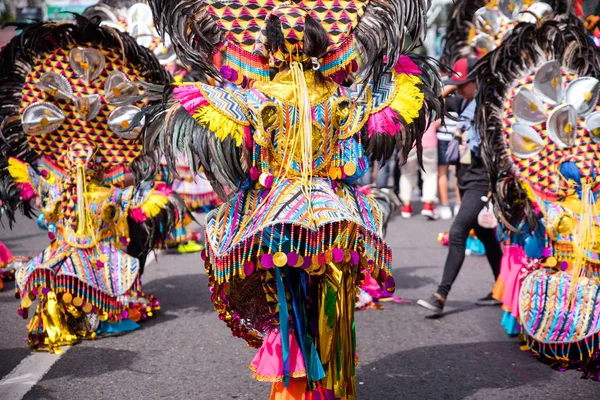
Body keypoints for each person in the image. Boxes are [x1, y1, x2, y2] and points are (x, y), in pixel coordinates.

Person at [144, 0, 442, 397]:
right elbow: (366, 136)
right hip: (337, 218)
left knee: (286, 303)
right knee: (328, 301)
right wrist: (403, 70)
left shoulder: (258, 97)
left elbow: (205, 109)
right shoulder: (340, 97)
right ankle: (328, 383)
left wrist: (175, 88)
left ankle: (295, 383)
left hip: (275, 220)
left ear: (270, 47)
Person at [0, 17, 184, 352]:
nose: (80, 162)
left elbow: (134, 182)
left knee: (110, 256)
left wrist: (127, 186)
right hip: (71, 226)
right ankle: (71, 310)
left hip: (102, 223)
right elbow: (46, 200)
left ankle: (105, 304)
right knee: (55, 263)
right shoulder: (62, 182)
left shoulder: (110, 183)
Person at [417, 57, 502, 315]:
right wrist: (453, 87)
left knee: (457, 233)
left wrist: (493, 190)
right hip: (466, 182)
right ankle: (504, 288)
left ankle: (440, 296)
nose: (458, 89)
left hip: (480, 184)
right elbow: (431, 103)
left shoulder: (487, 110)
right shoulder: (465, 102)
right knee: (487, 237)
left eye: (462, 84)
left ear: (476, 82)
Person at [400, 120, 439, 219]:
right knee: (430, 174)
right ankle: (428, 205)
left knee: (407, 174)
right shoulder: (430, 104)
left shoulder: (404, 104)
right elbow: (439, 121)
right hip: (428, 140)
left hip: (408, 141)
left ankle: (406, 206)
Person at [436, 91, 461, 220]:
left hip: (443, 136)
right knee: (458, 172)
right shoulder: (462, 89)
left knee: (442, 172)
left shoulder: (442, 89)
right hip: (459, 136)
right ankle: (458, 204)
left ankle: (445, 206)